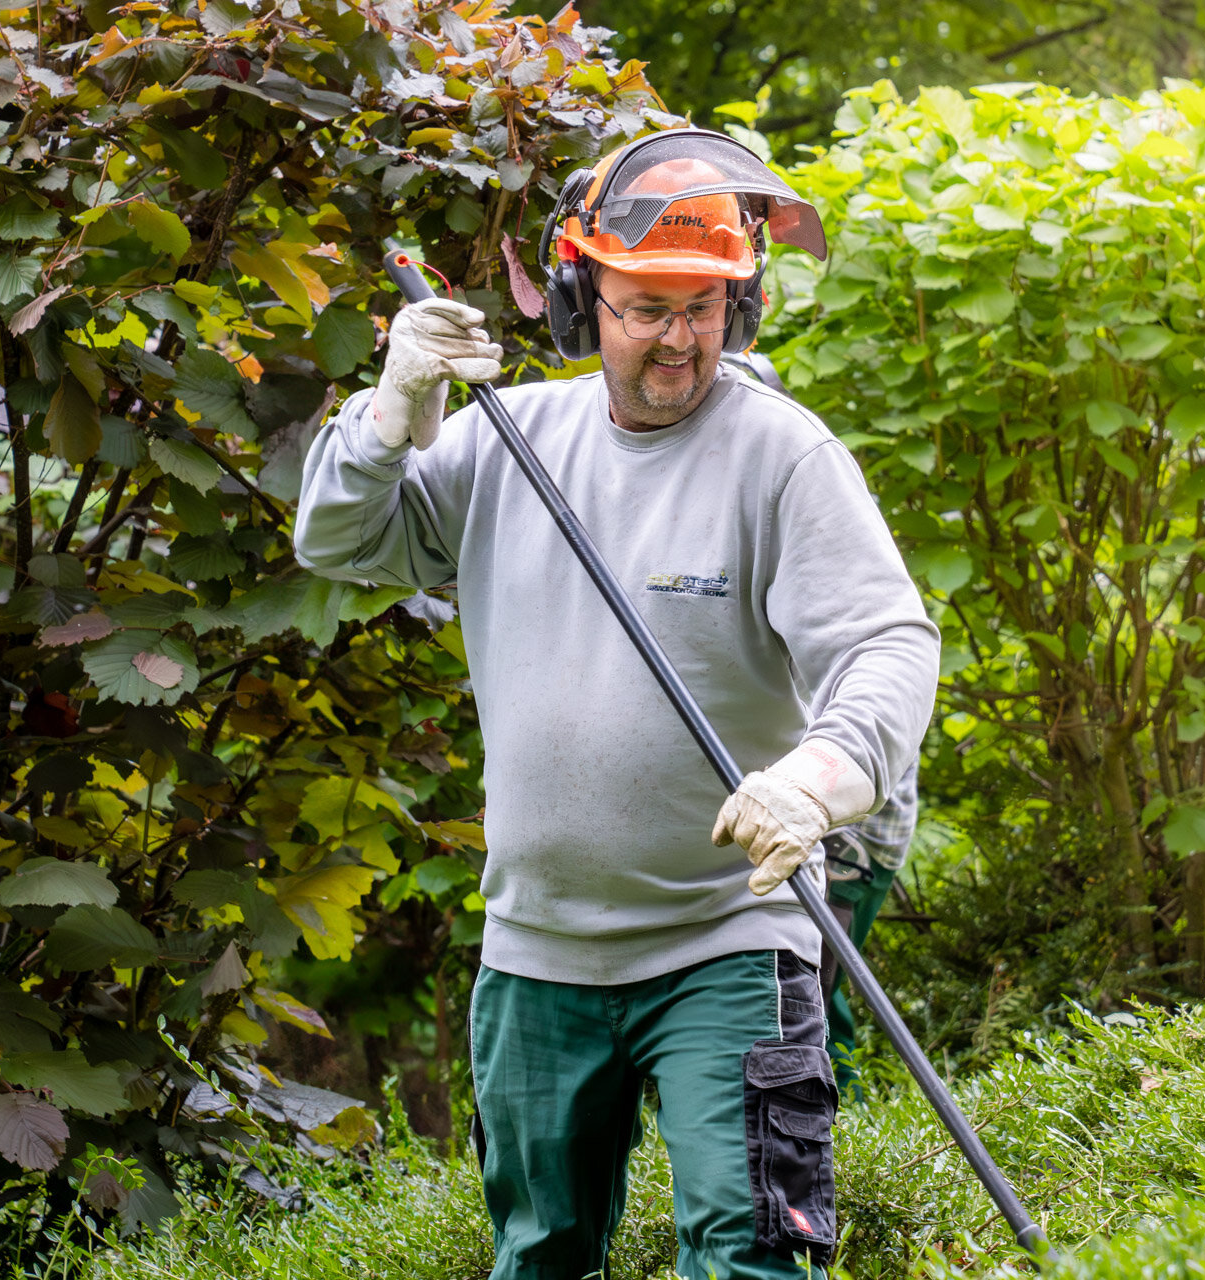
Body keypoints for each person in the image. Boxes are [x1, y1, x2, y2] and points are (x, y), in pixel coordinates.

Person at [293, 128, 939, 1280]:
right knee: (540, 1253)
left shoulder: (782, 456)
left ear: (739, 309)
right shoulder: (510, 440)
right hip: (537, 945)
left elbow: (887, 643)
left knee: (750, 1251)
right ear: (585, 298)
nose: (677, 340)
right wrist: (391, 408)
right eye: (646, 308)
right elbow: (339, 539)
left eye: (704, 308)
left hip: (730, 935)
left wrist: (817, 776)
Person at [721, 352, 921, 1097]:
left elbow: (853, 684)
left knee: (807, 992)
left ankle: (851, 1128)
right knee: (810, 990)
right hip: (816, 823)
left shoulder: (807, 510)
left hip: (849, 833)